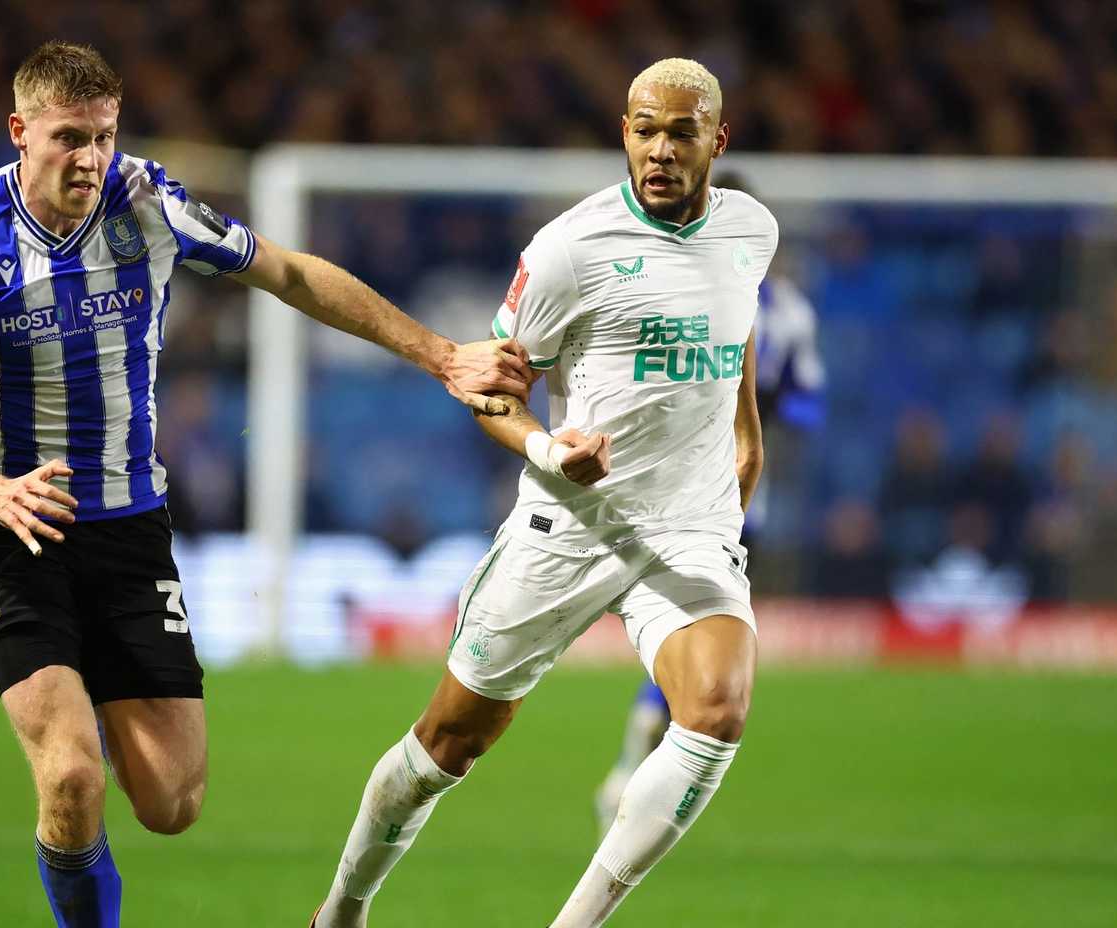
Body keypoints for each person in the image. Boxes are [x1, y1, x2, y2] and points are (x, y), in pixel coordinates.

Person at [0, 41, 531, 928]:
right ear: (19, 132)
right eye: (69, 138)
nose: (91, 159)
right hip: (7, 527)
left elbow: (287, 272)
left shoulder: (147, 203)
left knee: (171, 804)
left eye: (103, 135)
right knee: (69, 775)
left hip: (127, 525)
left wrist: (441, 354)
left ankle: (79, 681)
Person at [311, 58, 775, 928]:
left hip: (688, 527)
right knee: (447, 744)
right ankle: (341, 910)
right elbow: (490, 389)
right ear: (624, 132)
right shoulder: (570, 249)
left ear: (719, 140)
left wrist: (745, 448)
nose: (661, 150)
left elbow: (738, 330)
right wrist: (547, 449)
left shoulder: (751, 229)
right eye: (644, 129)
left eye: (681, 133)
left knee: (717, 707)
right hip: (573, 522)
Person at [593, 169, 824, 834]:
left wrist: (760, 402)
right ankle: (643, 765)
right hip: (679, 483)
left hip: (714, 484)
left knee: (691, 620)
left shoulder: (763, 306)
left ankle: (638, 757)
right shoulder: (667, 289)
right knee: (693, 621)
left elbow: (806, 401)